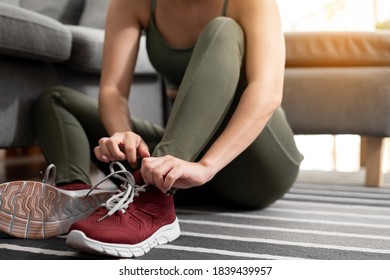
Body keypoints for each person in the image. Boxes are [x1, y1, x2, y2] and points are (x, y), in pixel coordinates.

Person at [31, 0, 303, 257]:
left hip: (255, 166)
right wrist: (122, 133)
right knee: (56, 101)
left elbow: (266, 93)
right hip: (186, 170)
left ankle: (155, 201)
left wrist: (206, 166)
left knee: (223, 28)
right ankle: (78, 198)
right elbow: (113, 89)